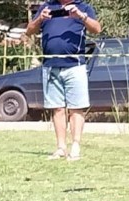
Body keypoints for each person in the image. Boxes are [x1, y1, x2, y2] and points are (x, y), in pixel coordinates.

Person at [26, 0, 102, 161]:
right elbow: (29, 31)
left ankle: (75, 146)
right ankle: (61, 147)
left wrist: (81, 16)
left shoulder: (83, 7)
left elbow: (97, 29)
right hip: (50, 66)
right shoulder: (47, 6)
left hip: (75, 66)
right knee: (57, 108)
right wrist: (40, 19)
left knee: (76, 108)